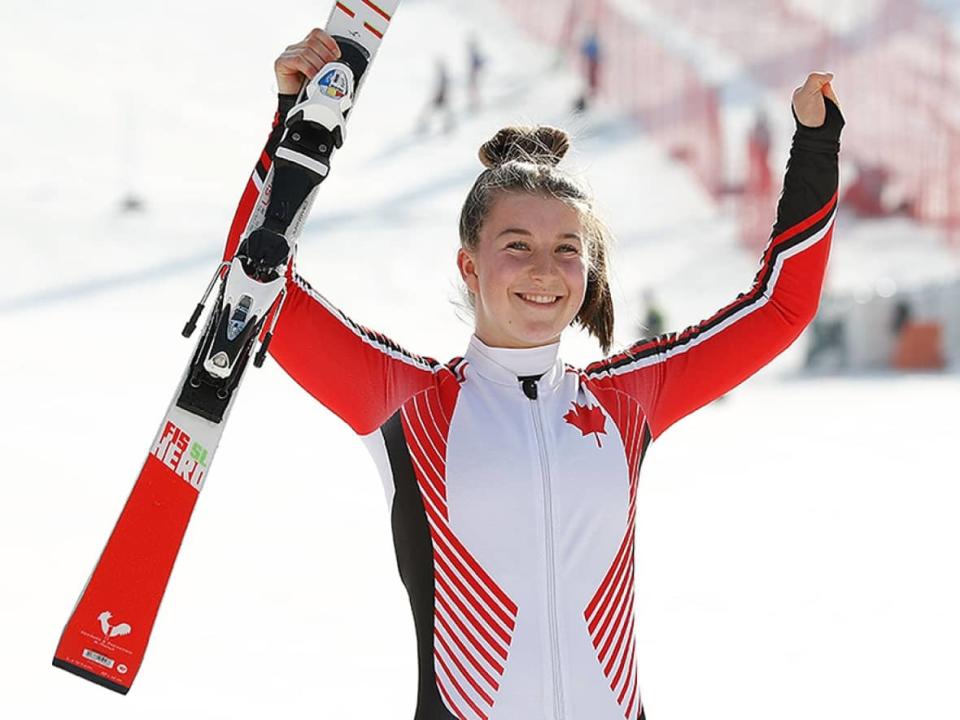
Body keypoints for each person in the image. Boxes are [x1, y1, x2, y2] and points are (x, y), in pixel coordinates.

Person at [238, 28, 844, 720]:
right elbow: (254, 282)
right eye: (516, 245)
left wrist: (816, 144)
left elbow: (781, 310)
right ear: (469, 265)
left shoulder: (625, 404)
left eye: (565, 249)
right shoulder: (411, 404)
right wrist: (297, 127)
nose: (543, 271)